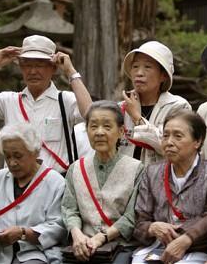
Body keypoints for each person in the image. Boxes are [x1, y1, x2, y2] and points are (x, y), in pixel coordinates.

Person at [0, 34, 93, 173]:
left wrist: (70, 71)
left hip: (56, 185)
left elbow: (90, 114)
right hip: (16, 185)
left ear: (53, 68)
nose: (32, 71)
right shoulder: (10, 100)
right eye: (27, 65)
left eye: (39, 65)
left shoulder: (65, 100)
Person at [0, 123, 67, 264]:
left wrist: (23, 233)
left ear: (35, 152)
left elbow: (58, 226)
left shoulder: (55, 182)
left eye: (18, 156)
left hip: (34, 253)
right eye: (7, 157)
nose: (12, 163)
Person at [61, 100, 144, 264]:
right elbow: (69, 209)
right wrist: (77, 235)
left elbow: (132, 216)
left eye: (107, 126)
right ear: (87, 130)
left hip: (120, 246)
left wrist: (102, 237)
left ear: (121, 131)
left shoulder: (136, 168)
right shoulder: (76, 168)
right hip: (82, 244)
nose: (99, 132)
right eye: (93, 126)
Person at [133, 110, 207, 263]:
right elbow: (140, 222)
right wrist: (152, 228)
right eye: (165, 135)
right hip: (157, 248)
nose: (169, 142)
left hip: (196, 249)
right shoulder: (152, 172)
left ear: (197, 141)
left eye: (178, 136)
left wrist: (187, 238)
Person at [119, 41, 191, 165]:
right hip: (125, 181)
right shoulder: (121, 107)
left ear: (163, 75)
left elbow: (171, 146)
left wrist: (137, 118)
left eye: (147, 67)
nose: (139, 73)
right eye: (135, 67)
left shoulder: (178, 106)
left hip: (161, 181)